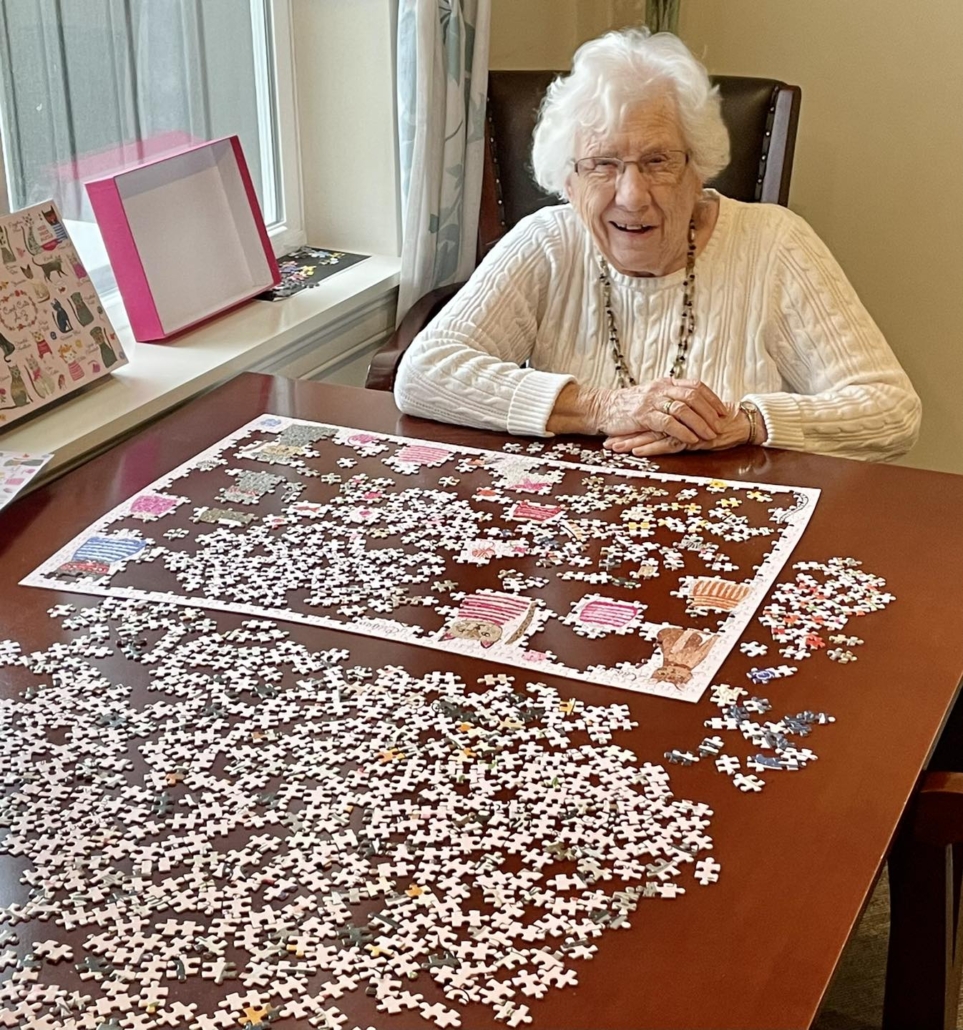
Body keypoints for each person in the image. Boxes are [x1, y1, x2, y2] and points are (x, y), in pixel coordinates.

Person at [394, 28, 921, 462]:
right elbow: (424, 372)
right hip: (569, 523)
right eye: (602, 164)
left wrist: (749, 421)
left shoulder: (774, 244)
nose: (631, 196)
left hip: (733, 525)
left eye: (657, 161)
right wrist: (602, 407)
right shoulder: (547, 241)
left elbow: (891, 411)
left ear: (698, 169)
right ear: (568, 181)